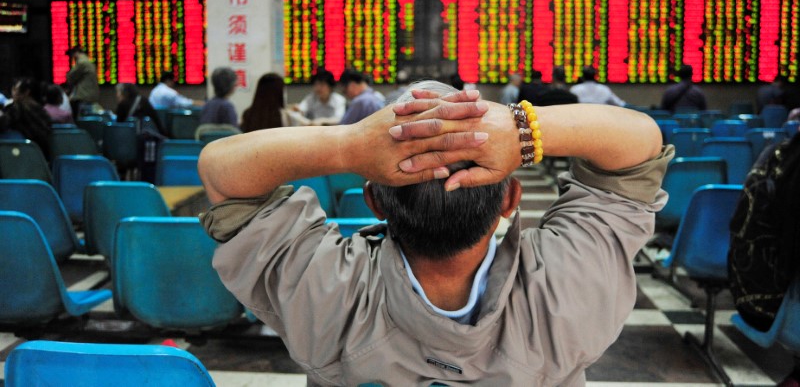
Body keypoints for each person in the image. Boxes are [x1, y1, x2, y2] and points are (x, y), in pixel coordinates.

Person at [198, 81, 670, 385]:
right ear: (510, 201)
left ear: (374, 200)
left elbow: (221, 170)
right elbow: (639, 141)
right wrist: (520, 130)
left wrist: (349, 144)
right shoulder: (567, 287)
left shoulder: (327, 294)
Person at [0, 77, 53, 158]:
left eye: (15, 89)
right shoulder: (41, 110)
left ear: (27, 92)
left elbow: (3, 123)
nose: (13, 92)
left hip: (20, 156)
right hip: (41, 156)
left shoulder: (17, 109)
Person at [64, 46, 100, 119]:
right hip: (89, 96)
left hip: (84, 97)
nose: (72, 58)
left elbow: (70, 76)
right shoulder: (88, 61)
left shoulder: (82, 62)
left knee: (82, 121)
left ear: (76, 53)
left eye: (72, 55)